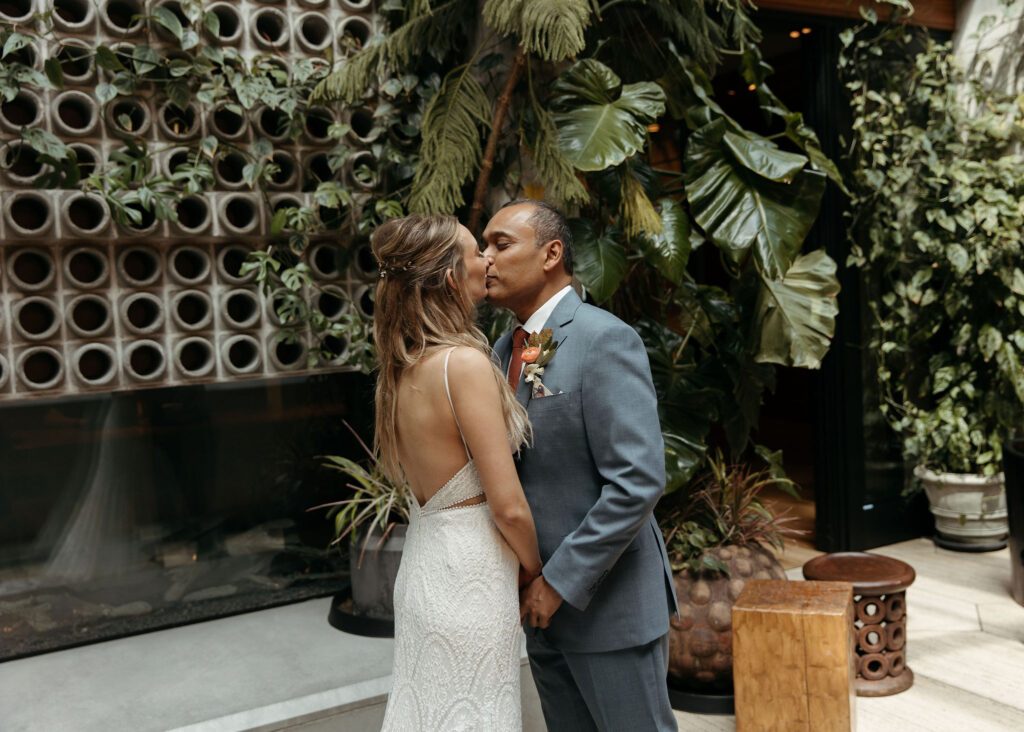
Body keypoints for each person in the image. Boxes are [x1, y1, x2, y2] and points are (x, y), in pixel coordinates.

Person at [483, 200, 679, 731]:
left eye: (501, 244)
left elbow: (637, 481)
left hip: (606, 606)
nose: (485, 260)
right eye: (483, 247)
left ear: (551, 254)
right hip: (538, 608)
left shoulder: (603, 338)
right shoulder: (504, 349)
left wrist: (560, 581)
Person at [372, 214, 542, 731]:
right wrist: (535, 572)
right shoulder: (462, 365)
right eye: (475, 252)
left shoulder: (398, 372)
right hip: (471, 578)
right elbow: (509, 507)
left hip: (424, 571)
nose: (487, 260)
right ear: (450, 277)